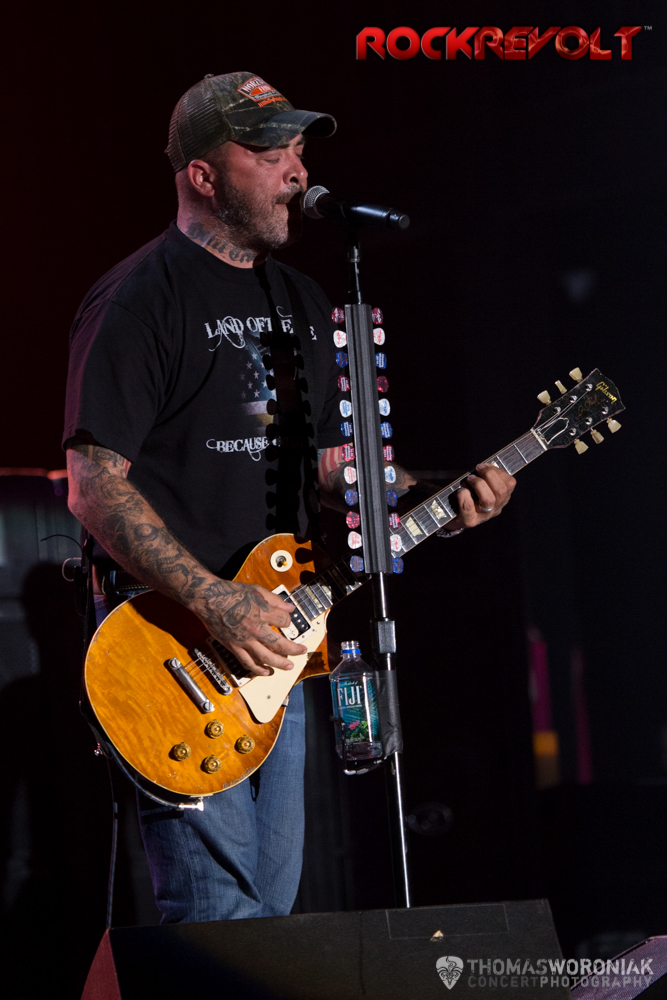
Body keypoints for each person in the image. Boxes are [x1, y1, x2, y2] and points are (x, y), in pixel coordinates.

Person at [63, 71, 516, 923]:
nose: (296, 170)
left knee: (274, 919)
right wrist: (213, 599)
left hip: (281, 634)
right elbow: (93, 488)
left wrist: (438, 496)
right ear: (203, 174)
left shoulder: (304, 301)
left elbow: (333, 470)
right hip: (174, 643)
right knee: (219, 918)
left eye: (299, 149)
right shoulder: (140, 298)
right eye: (269, 152)